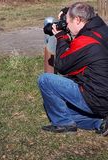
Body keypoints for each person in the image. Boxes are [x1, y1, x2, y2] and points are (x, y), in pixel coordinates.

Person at [38, 2, 108, 136]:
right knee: (65, 109)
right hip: (103, 94)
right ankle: (101, 123)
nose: (67, 26)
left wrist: (61, 37)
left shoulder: (85, 40)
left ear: (78, 19)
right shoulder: (102, 29)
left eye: (67, 23)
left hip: (99, 99)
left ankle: (63, 124)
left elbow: (62, 66)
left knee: (45, 80)